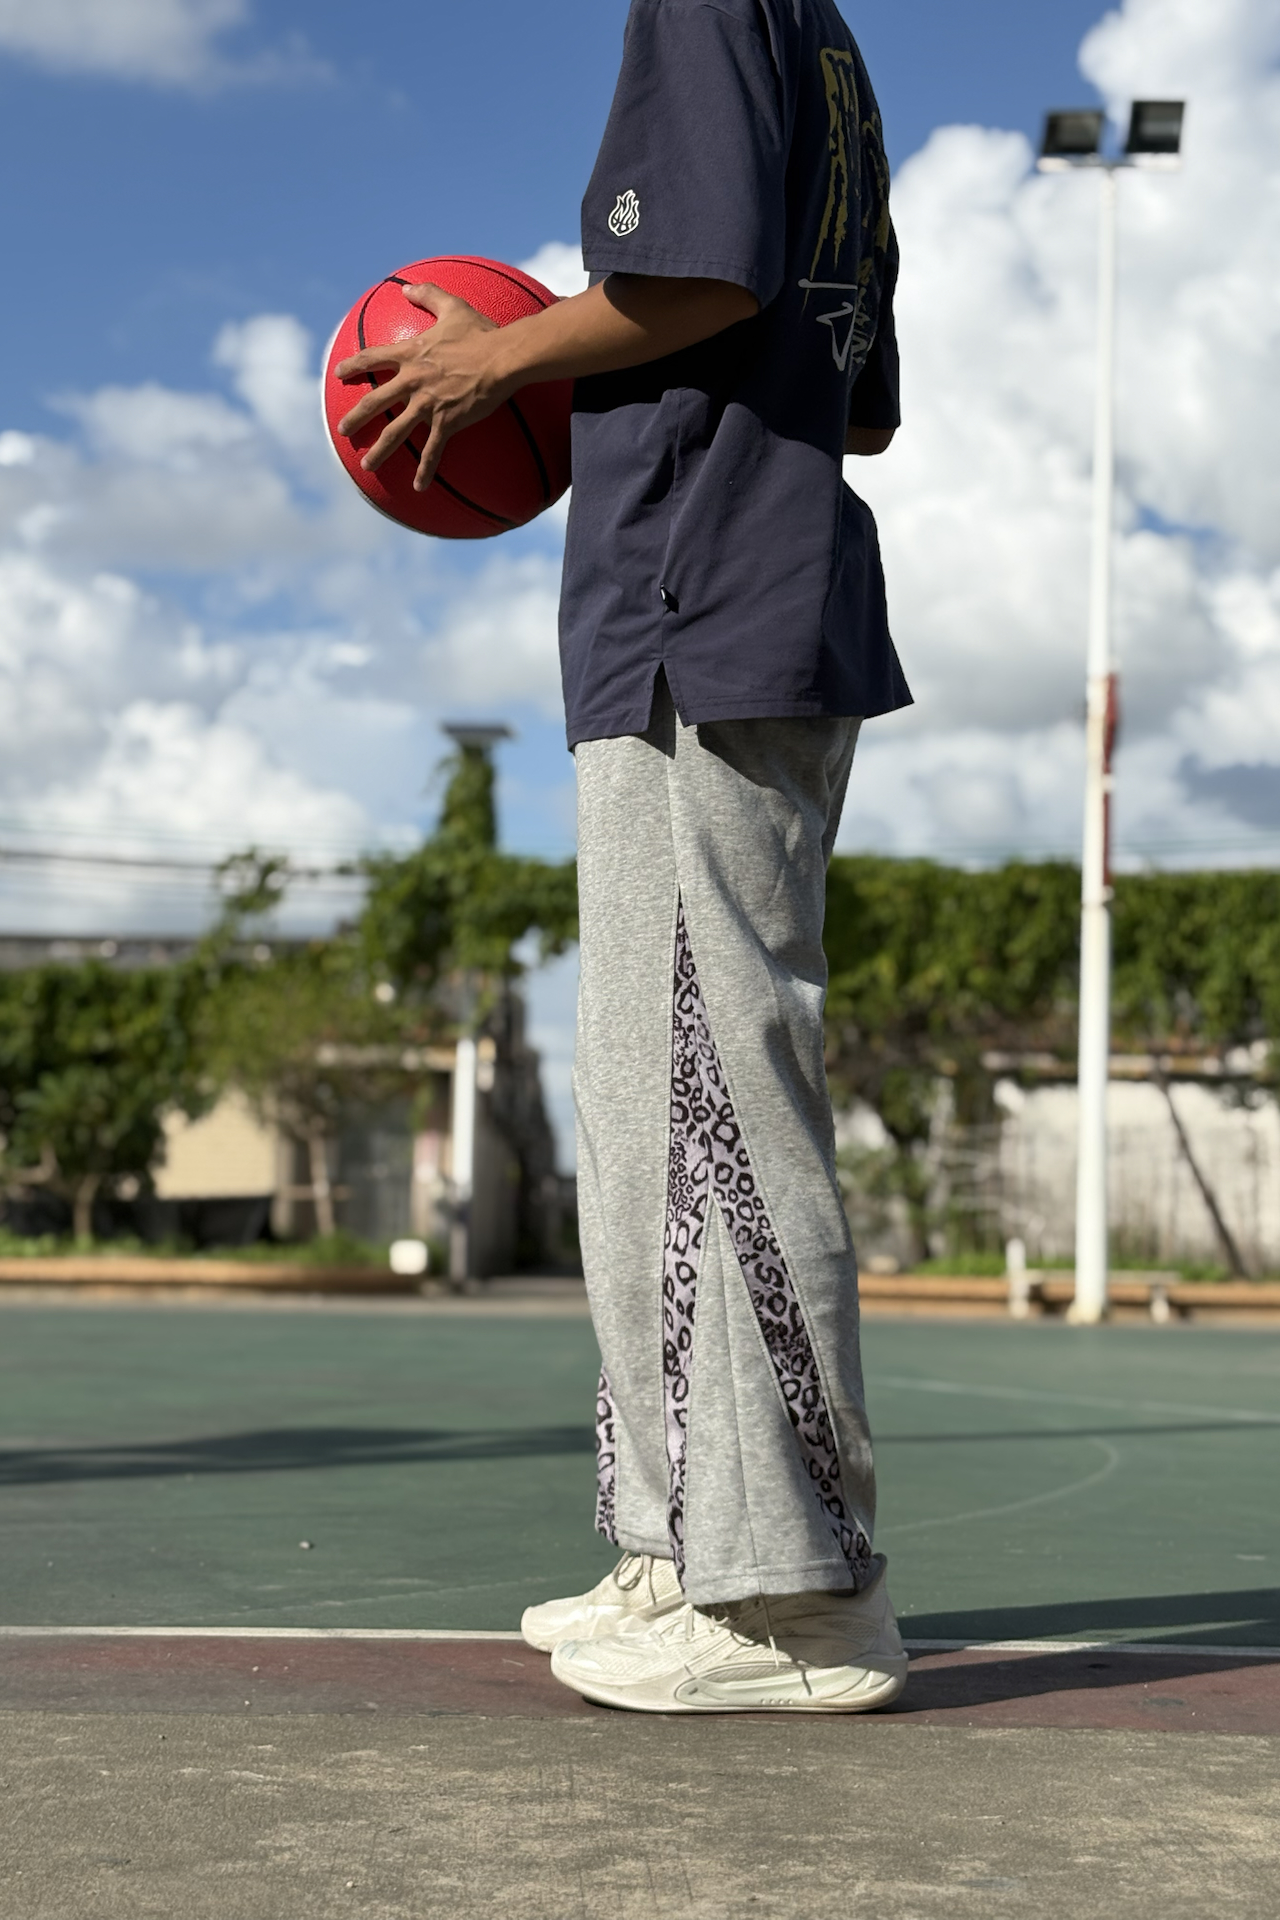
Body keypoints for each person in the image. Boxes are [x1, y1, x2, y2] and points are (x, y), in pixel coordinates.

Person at [334, 0, 911, 1714]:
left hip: (701, 609)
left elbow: (702, 277)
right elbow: (861, 402)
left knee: (715, 1086)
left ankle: (793, 1599)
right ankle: (683, 1546)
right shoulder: (825, 48)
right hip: (742, 591)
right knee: (652, 1100)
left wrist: (495, 364)